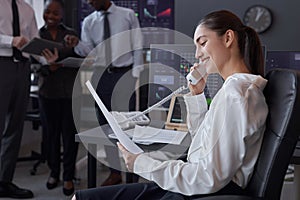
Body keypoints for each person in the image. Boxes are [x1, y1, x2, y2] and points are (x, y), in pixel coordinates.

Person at [71, 9, 269, 200]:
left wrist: (142, 164)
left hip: (202, 192)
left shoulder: (236, 94)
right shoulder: (235, 90)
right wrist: (196, 96)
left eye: (202, 43)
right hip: (197, 189)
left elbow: (209, 177)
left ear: (227, 38)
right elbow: (204, 145)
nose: (198, 54)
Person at [65, 0, 144, 186]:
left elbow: (138, 43)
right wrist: (77, 44)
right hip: (101, 76)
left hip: (124, 73)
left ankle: (134, 170)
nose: (89, 2)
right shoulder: (89, 21)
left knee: (128, 124)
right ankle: (115, 172)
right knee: (105, 126)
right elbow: (88, 52)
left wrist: (136, 74)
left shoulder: (127, 15)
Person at [36, 0, 81, 196]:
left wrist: (68, 60)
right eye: (47, 12)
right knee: (51, 135)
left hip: (70, 92)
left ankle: (68, 176)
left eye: (55, 13)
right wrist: (48, 67)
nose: (51, 16)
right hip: (48, 93)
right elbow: (32, 63)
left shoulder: (71, 34)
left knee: (69, 137)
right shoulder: (38, 35)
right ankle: (54, 172)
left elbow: (82, 57)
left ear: (62, 14)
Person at [0, 0, 38, 198]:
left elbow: (34, 40)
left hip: (23, 67)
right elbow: (15, 40)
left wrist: (45, 55)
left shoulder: (28, 8)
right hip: (2, 63)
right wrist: (10, 41)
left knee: (15, 127)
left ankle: (4, 181)